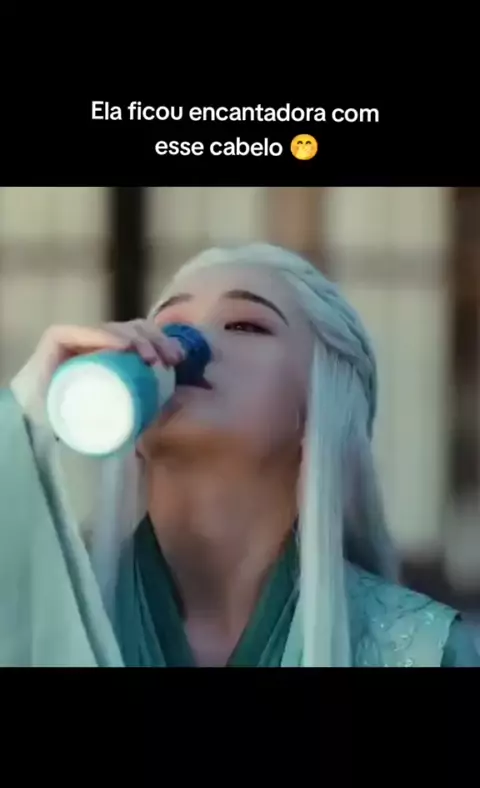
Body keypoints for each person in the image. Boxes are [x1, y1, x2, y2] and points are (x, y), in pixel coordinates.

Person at [0, 242, 478, 667]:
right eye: (169, 327)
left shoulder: (424, 651)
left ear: (320, 406)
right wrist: (20, 415)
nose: (185, 347)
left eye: (246, 325)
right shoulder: (39, 613)